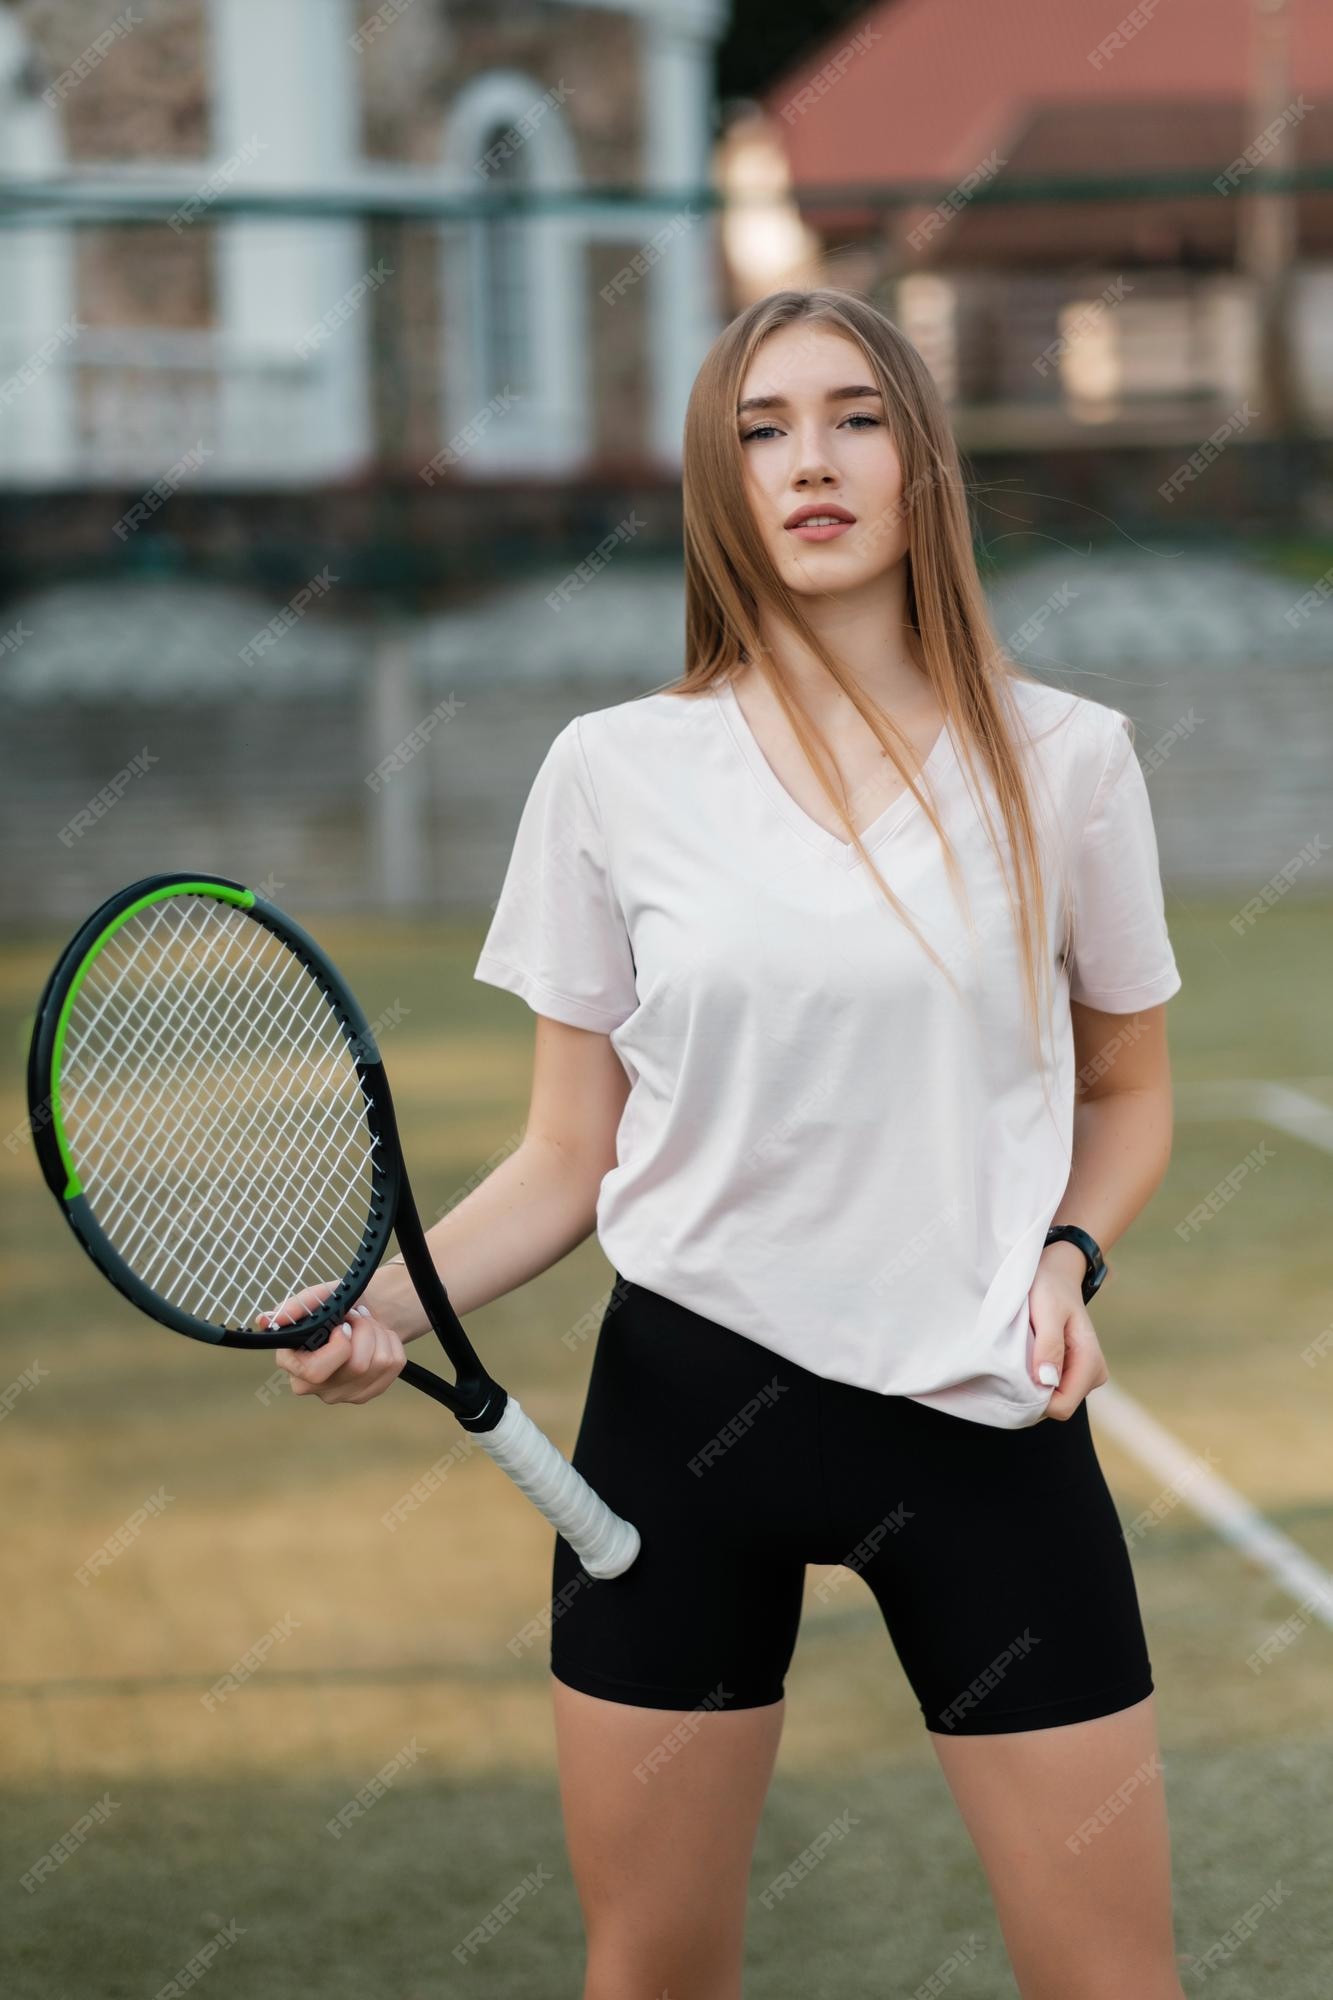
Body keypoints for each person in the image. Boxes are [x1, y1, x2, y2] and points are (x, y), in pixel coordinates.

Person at [276, 289, 1189, 1999]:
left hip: (981, 1423)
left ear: (919, 462)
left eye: (852, 417)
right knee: (656, 1972)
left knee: (1111, 1980)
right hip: (684, 1430)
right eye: (759, 431)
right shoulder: (614, 774)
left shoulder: (1069, 760)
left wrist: (1069, 1257)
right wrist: (382, 1302)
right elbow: (566, 1158)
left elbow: (1129, 1092)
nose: (808, 462)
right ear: (718, 488)